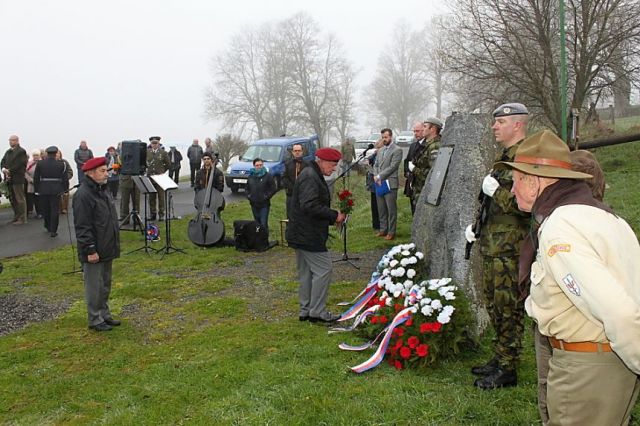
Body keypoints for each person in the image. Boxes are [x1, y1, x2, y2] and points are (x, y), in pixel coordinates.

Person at [496, 129, 640, 425]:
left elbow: (617, 310)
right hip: (609, 363)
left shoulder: (561, 227)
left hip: (588, 369)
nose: (511, 190)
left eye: (516, 181)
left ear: (535, 182)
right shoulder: (606, 216)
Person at [464, 103, 531, 390]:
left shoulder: (525, 158)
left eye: (500, 121)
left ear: (517, 124)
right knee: (493, 302)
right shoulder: (503, 157)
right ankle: (500, 355)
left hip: (511, 246)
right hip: (493, 243)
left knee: (508, 306)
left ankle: (508, 367)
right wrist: (477, 227)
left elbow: (525, 207)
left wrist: (497, 191)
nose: (494, 127)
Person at [286, 148, 346, 323]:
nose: (334, 168)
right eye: (333, 164)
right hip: (308, 234)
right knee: (323, 270)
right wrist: (334, 215)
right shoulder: (311, 176)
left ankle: (306, 310)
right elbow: (309, 206)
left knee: (306, 273)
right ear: (321, 160)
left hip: (300, 233)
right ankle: (317, 312)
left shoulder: (309, 173)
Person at [73, 157, 121, 332]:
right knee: (94, 286)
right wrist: (90, 249)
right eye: (102, 171)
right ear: (90, 173)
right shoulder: (83, 195)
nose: (106, 173)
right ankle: (94, 318)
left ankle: (104, 314)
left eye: (106, 170)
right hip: (94, 250)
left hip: (106, 246)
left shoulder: (103, 190)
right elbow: (82, 226)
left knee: (105, 284)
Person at [372, 128, 403, 240]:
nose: (384, 139)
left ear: (391, 137)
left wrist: (380, 176)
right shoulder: (380, 150)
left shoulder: (397, 150)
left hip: (390, 182)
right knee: (381, 208)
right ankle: (383, 229)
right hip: (379, 183)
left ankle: (391, 232)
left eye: (386, 137)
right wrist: (376, 176)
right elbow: (375, 165)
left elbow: (393, 167)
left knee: (391, 209)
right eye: (382, 137)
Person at [408, 118, 442, 213]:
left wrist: (414, 169)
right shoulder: (428, 144)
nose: (423, 129)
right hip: (419, 190)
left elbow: (433, 175)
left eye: (425, 126)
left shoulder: (434, 146)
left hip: (426, 192)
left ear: (433, 129)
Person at [34, 146, 69, 237]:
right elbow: (65, 179)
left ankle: (47, 225)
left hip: (43, 188)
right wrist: (65, 189)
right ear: (55, 153)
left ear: (47, 153)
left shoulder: (40, 164)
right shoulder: (62, 164)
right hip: (56, 188)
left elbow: (36, 177)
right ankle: (54, 230)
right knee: (54, 209)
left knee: (45, 208)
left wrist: (36, 189)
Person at [1, 135, 28, 225]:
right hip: (9, 179)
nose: (10, 142)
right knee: (12, 199)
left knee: (20, 198)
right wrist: (3, 169)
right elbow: (3, 161)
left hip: (18, 178)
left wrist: (9, 170)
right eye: (10, 140)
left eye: (12, 140)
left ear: (17, 141)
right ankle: (16, 216)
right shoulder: (8, 152)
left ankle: (22, 218)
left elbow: (19, 164)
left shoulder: (21, 151)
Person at [246, 157, 277, 235]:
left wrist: (266, 196)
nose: (259, 167)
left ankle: (265, 239)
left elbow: (273, 188)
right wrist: (249, 196)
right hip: (253, 203)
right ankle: (258, 240)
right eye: (257, 165)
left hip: (264, 204)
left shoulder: (268, 176)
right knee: (257, 223)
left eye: (261, 165)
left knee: (263, 223)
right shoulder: (251, 176)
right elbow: (247, 188)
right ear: (254, 166)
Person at [146, 136, 171, 221]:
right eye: (152, 143)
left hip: (160, 178)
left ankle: (161, 214)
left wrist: (162, 171)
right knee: (151, 197)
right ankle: (152, 214)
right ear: (150, 144)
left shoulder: (163, 153)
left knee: (161, 197)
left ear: (159, 143)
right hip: (150, 178)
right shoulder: (147, 152)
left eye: (156, 143)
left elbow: (168, 164)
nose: (154, 145)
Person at [404, 121, 426, 209]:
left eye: (418, 131)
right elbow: (407, 160)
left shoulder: (427, 145)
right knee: (413, 207)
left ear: (423, 130)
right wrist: (407, 173)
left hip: (421, 182)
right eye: (414, 131)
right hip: (412, 182)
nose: (415, 133)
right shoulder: (413, 145)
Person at [282, 143, 308, 218]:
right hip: (291, 195)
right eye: (295, 150)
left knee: (303, 215)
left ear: (302, 152)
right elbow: (284, 178)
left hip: (303, 195)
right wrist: (292, 187)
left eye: (299, 150)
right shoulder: (287, 164)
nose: (297, 152)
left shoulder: (307, 164)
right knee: (290, 215)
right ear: (292, 152)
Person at [25, 150, 42, 218]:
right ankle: (30, 211)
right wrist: (30, 180)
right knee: (31, 198)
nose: (36, 157)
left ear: (39, 156)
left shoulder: (42, 163)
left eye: (37, 155)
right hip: (31, 183)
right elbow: (25, 172)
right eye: (34, 155)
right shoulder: (29, 163)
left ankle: (40, 213)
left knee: (39, 199)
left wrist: (38, 180)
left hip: (40, 184)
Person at [56, 150, 73, 214]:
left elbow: (70, 171)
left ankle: (65, 208)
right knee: (58, 195)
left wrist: (66, 178)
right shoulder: (53, 162)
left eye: (58, 153)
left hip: (64, 181)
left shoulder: (65, 162)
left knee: (65, 195)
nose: (57, 155)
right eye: (56, 153)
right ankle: (59, 208)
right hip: (56, 182)